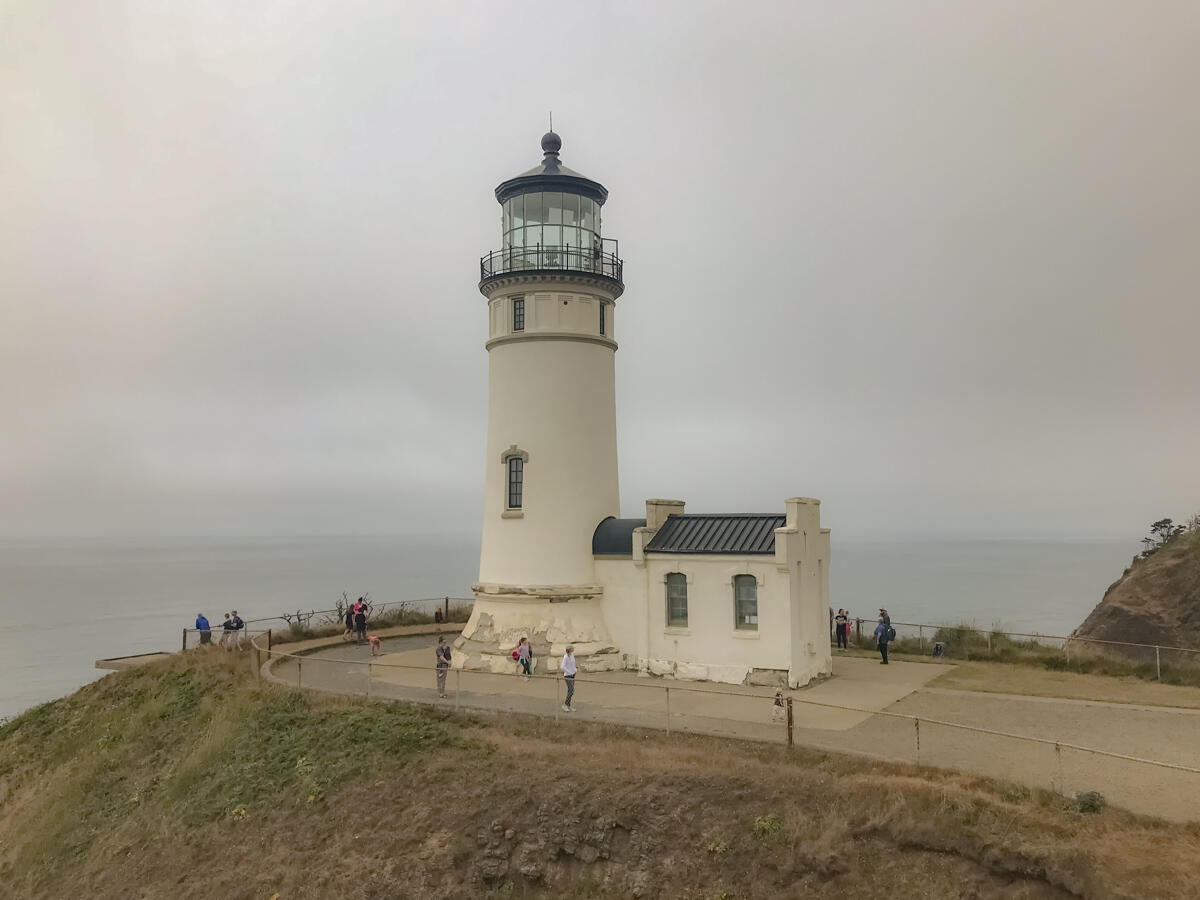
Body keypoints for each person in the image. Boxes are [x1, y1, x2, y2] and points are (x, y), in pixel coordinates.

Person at [561, 645, 577, 712]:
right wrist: (570, 672)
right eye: (572, 648)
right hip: (567, 675)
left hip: (573, 675)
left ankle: (568, 705)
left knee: (571, 690)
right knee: (571, 690)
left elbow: (573, 664)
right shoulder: (565, 657)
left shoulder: (572, 655)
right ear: (569, 649)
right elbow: (562, 667)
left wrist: (575, 670)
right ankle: (565, 705)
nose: (573, 649)